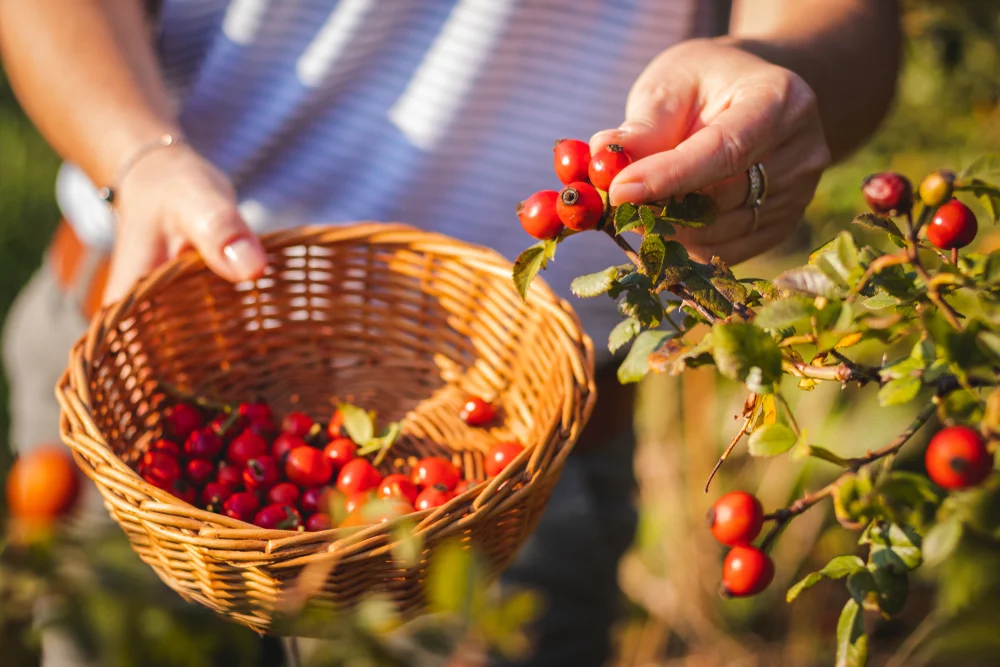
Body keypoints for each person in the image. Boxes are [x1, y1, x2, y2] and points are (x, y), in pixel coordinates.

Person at [0, 1, 901, 665]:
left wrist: (775, 81)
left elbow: (847, 29)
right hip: (143, 357)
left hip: (519, 467)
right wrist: (136, 152)